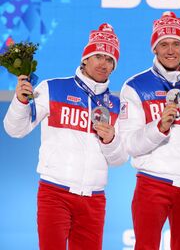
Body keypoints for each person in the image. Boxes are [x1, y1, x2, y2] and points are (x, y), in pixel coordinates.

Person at [3, 23, 127, 250]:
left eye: (110, 59)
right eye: (98, 56)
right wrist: (21, 102)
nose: (103, 63)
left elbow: (119, 159)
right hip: (55, 194)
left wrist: (111, 140)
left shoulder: (116, 105)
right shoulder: (53, 89)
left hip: (94, 200)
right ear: (85, 59)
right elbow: (15, 129)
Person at [119, 11, 180, 250]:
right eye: (163, 44)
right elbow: (130, 145)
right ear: (154, 48)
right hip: (153, 184)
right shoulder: (135, 86)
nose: (170, 50)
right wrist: (160, 127)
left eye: (176, 44)